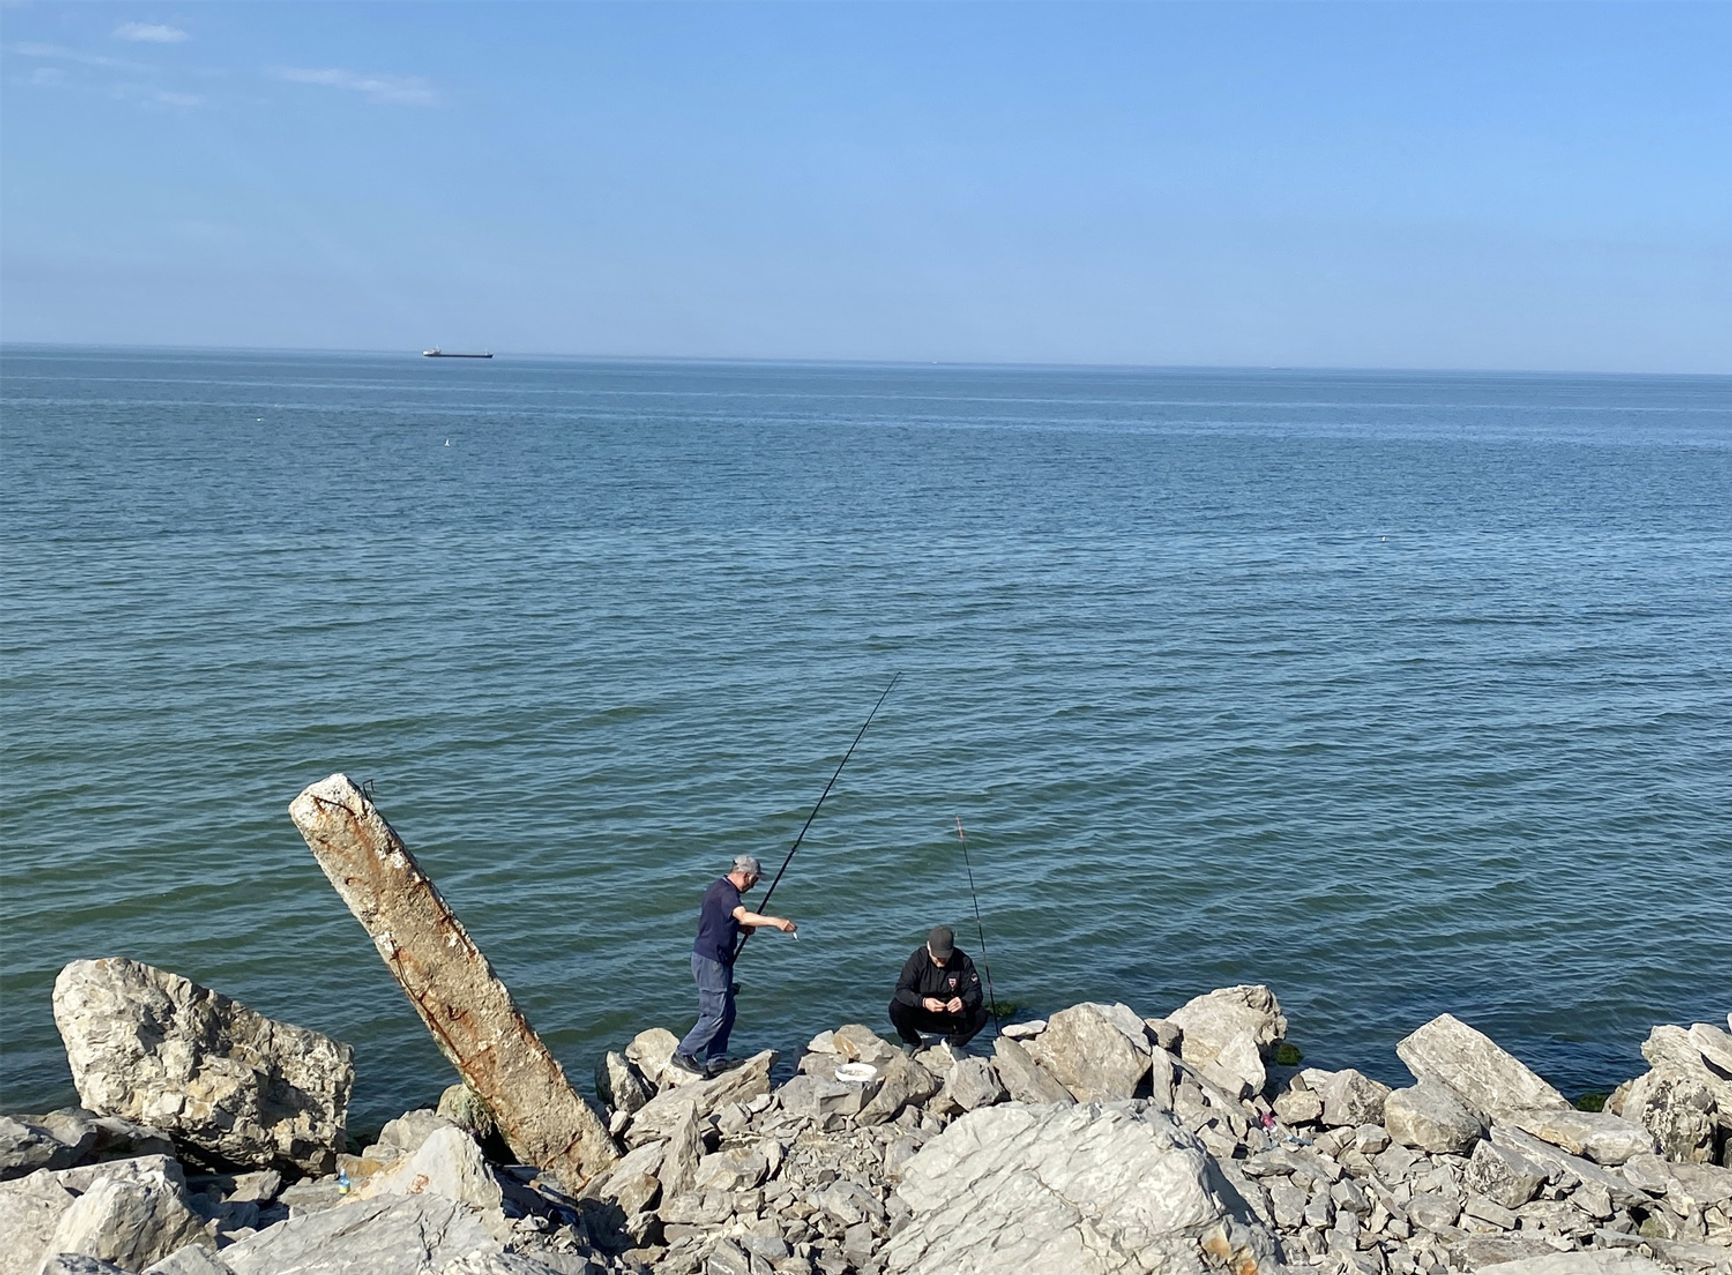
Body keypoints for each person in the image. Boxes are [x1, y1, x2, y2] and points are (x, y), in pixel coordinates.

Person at [672, 854, 797, 1077]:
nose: (754, 885)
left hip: (718, 959)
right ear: (746, 875)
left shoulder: (718, 888)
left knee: (728, 1011)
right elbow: (744, 916)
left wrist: (738, 928)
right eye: (755, 880)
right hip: (711, 961)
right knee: (715, 1013)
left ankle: (716, 1059)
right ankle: (684, 1052)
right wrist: (777, 922)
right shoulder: (727, 893)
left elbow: (720, 919)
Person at [888, 925, 988, 1052]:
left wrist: (963, 1002)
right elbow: (901, 990)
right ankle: (912, 1041)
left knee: (981, 1014)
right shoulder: (917, 959)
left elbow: (976, 991)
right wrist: (923, 1002)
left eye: (945, 957)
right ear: (929, 947)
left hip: (951, 1015)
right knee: (896, 1007)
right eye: (937, 957)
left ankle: (953, 1043)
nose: (941, 961)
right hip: (923, 1013)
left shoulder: (963, 961)